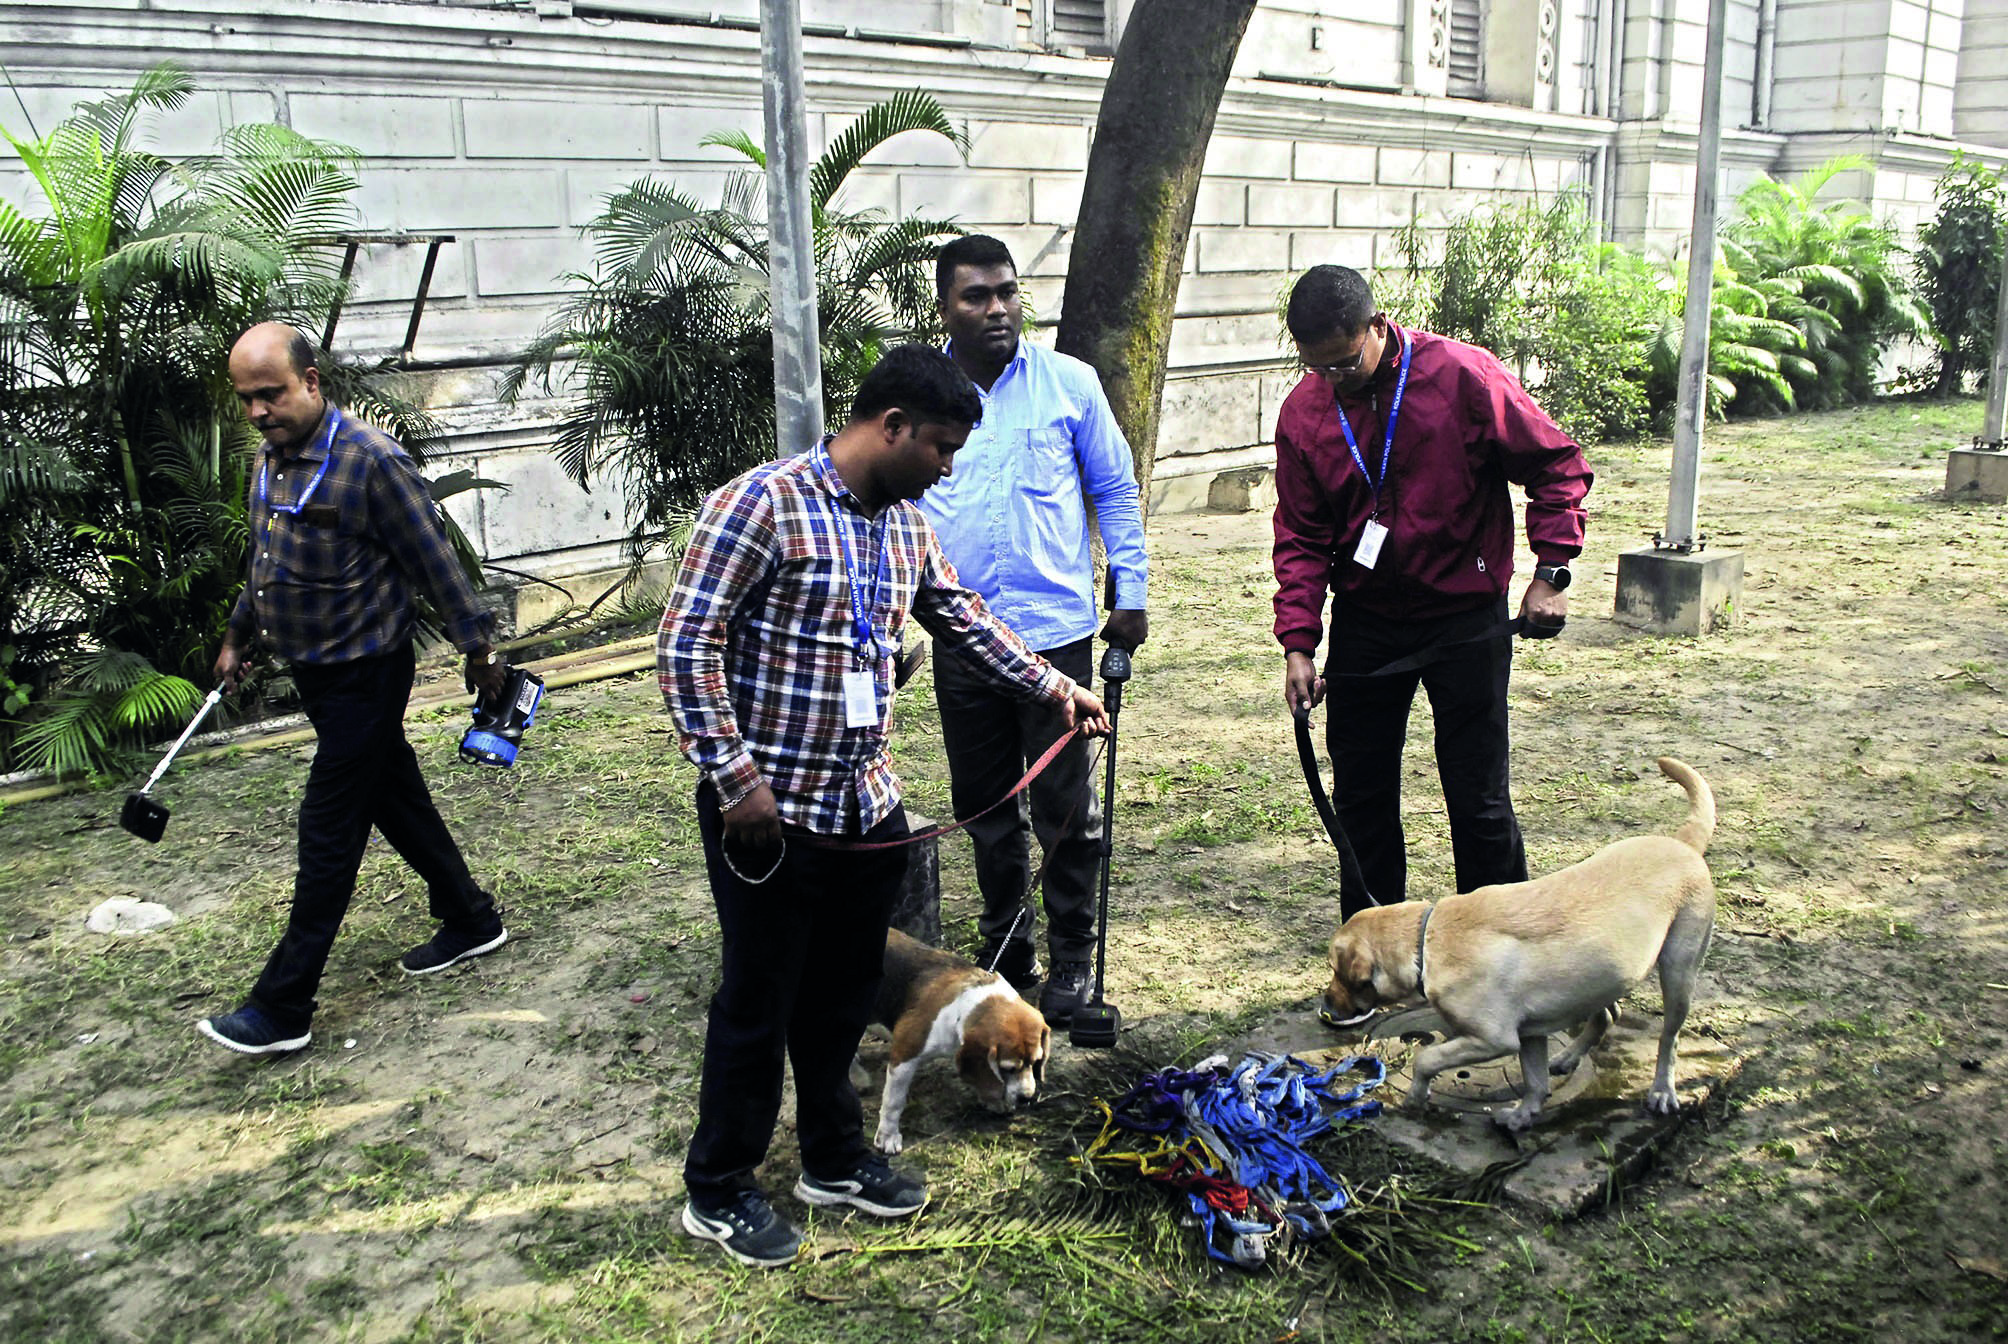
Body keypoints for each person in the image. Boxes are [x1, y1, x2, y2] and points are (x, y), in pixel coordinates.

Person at [660, 343, 1111, 1270]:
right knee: (758, 1001)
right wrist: (735, 778)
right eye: (940, 447)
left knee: (839, 999)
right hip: (768, 818)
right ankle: (720, 1188)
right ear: (891, 426)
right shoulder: (762, 504)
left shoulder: (907, 524)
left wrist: (1055, 688)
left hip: (866, 813)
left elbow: (964, 619)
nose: (948, 467)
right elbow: (685, 644)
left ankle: (833, 1159)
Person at [197, 324, 511, 1056]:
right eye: (246, 399)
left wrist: (479, 650)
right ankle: (471, 919)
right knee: (393, 797)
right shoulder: (271, 462)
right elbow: (267, 561)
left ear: (311, 381)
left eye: (270, 393)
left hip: (367, 671)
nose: (257, 411)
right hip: (313, 670)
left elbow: (435, 561)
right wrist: (241, 635)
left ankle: (283, 1004)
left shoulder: (370, 462)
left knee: (329, 828)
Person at [1271, 265, 1592, 917]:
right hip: (1368, 621)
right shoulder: (1305, 413)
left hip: (1465, 618)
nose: (1332, 380)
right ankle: (1374, 951)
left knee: (1477, 798)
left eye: (1343, 363)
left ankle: (1500, 946)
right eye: (1316, 368)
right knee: (1361, 796)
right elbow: (1301, 536)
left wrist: (1550, 572)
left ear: (1378, 328)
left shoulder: (1463, 376)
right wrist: (1299, 643)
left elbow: (1557, 466)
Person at [917, 234, 1149, 1028]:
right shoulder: (926, 395)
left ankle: (1073, 956)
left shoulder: (1068, 385)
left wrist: (1132, 586)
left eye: (1007, 292)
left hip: (1056, 635)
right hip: (962, 636)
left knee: (1067, 808)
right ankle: (1007, 950)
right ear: (945, 306)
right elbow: (898, 511)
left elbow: (1115, 490)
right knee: (984, 809)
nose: (997, 309)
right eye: (976, 296)